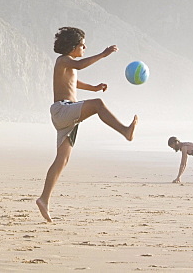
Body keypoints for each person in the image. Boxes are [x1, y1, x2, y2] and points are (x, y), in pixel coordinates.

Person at [36, 27, 138, 222]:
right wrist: (103, 54)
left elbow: (73, 82)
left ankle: (44, 199)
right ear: (73, 47)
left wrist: (94, 87)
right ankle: (125, 131)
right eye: (82, 45)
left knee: (62, 160)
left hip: (66, 115)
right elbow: (81, 65)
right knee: (98, 105)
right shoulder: (63, 60)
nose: (85, 47)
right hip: (63, 110)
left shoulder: (67, 66)